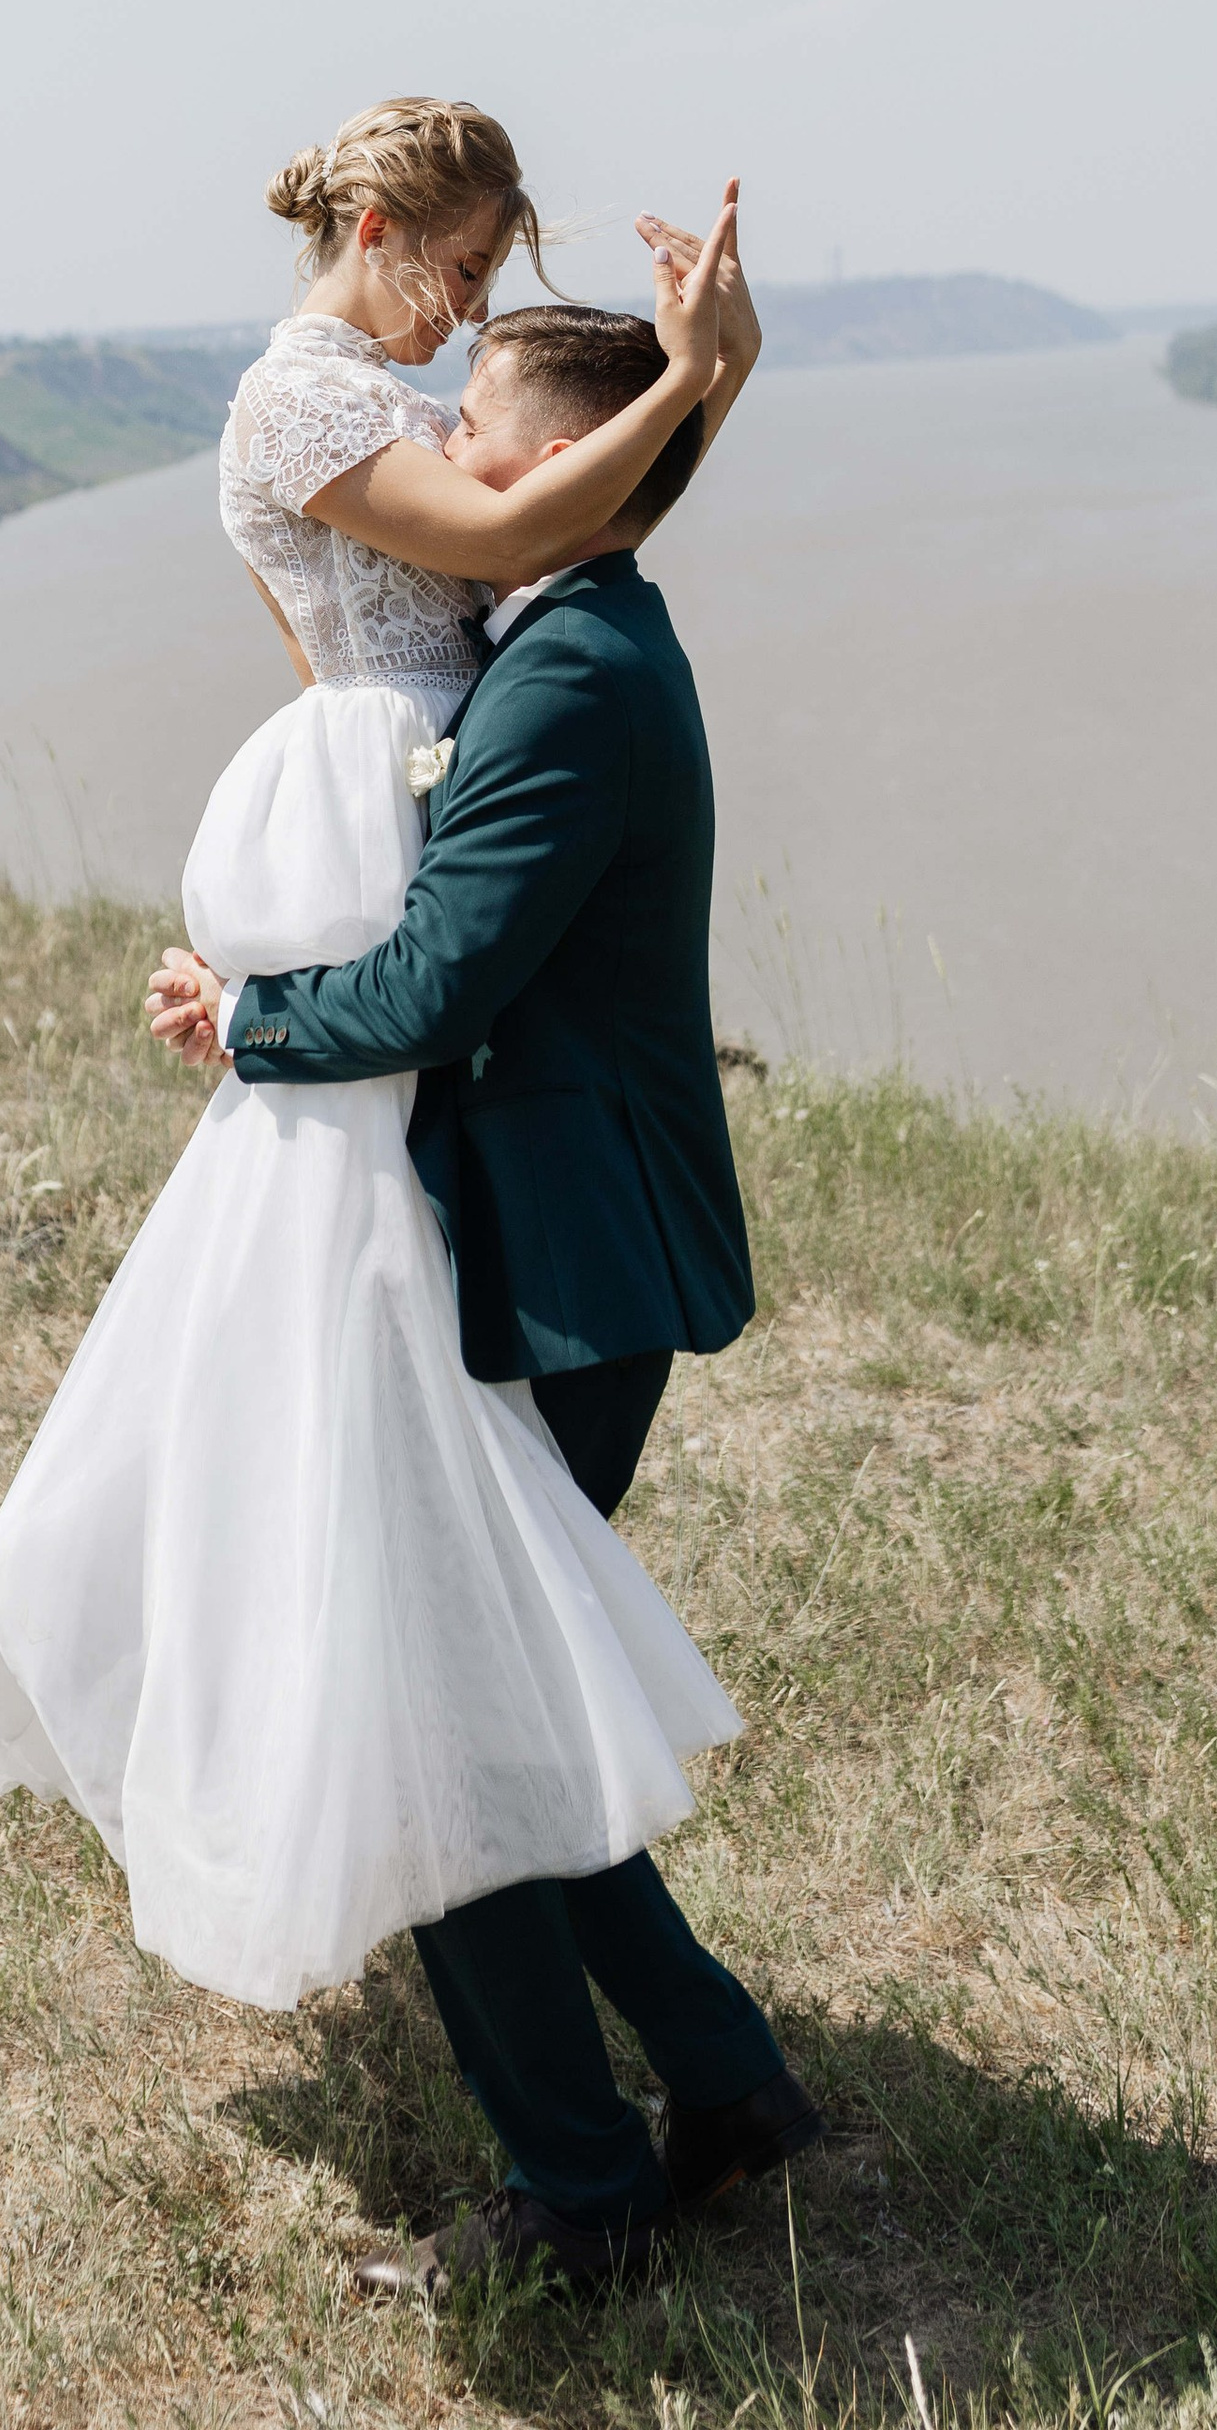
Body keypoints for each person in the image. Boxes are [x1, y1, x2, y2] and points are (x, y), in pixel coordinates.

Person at [0, 101, 745, 2028]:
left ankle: (644, 2080)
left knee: (439, 1599)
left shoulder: (486, 511)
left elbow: (559, 498)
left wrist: (705, 388)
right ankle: (665, 2069)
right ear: (376, 224)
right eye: (462, 270)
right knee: (421, 1565)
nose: (467, 312)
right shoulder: (308, 402)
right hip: (398, 790)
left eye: (488, 291)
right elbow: (510, 522)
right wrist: (697, 384)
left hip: (431, 811)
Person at [149, 287, 823, 2302]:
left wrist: (245, 1018)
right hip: (550, 1229)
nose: (434, 443)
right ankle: (722, 2089)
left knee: (436, 1728)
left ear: (530, 466)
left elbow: (445, 980)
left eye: (466, 421)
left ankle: (576, 2198)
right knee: (505, 1696)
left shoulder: (564, 682)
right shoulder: (557, 644)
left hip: (567, 1254)